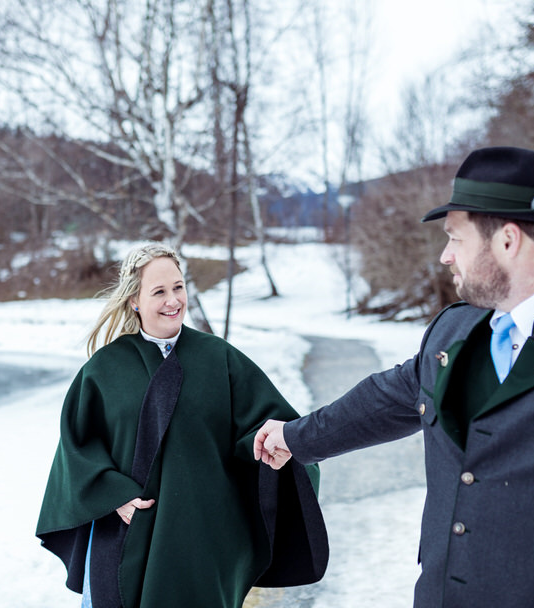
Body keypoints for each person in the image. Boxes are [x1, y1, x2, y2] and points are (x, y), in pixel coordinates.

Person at [254, 146, 534, 607]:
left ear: (508, 241)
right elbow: (387, 399)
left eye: (456, 239)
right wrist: (295, 438)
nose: (444, 257)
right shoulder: (455, 331)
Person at [37, 242, 328, 608]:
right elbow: (77, 448)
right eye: (158, 291)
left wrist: (272, 444)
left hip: (203, 539)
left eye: (178, 287)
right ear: (134, 300)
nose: (173, 300)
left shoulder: (218, 358)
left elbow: (266, 425)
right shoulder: (104, 369)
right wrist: (113, 494)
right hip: (126, 534)